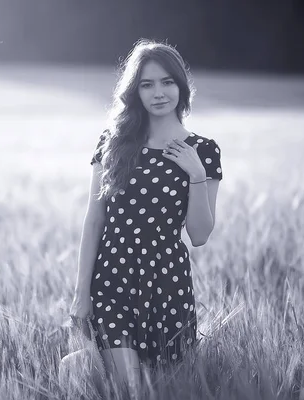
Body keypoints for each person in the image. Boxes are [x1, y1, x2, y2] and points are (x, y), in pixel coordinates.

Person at [68, 38, 223, 393]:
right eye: (147, 84)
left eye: (167, 81)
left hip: (168, 282)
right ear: (134, 91)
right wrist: (81, 293)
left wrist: (196, 174)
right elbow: (94, 221)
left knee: (163, 385)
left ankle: (75, 368)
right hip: (112, 277)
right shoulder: (113, 142)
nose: (158, 92)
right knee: (131, 388)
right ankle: (84, 367)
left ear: (181, 87)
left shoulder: (204, 151)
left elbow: (199, 235)